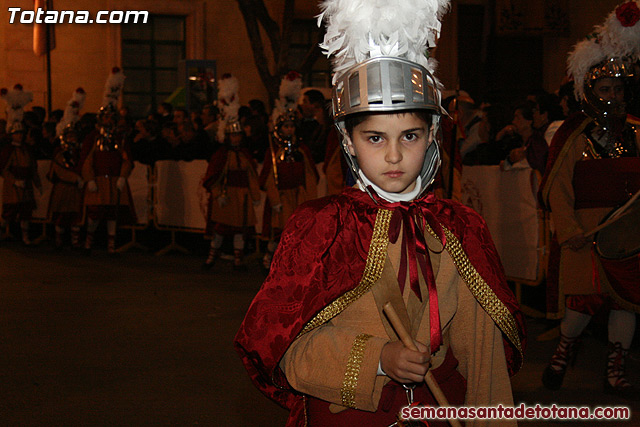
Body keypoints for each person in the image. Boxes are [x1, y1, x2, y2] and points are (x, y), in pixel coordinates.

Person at [235, 1, 525, 425]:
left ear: (431, 138)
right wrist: (378, 358)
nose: (394, 154)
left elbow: (483, 360)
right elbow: (289, 350)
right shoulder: (321, 227)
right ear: (348, 142)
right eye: (374, 137)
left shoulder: (459, 228)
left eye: (410, 135)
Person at [539, 7, 640, 398]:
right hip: (584, 236)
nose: (613, 96)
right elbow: (556, 189)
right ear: (589, 92)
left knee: (627, 304)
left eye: (618, 89)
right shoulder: (574, 135)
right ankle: (563, 353)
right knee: (581, 303)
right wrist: (570, 232)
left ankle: (615, 368)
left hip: (627, 238)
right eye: (605, 90)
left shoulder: (635, 132)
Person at [259, 72, 318, 271]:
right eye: (286, 126)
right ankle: (271, 259)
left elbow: (309, 176)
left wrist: (309, 199)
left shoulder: (302, 150)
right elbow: (268, 178)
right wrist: (274, 200)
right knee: (279, 232)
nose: (290, 130)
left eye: (292, 126)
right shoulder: (274, 151)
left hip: (298, 196)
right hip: (282, 198)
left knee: (298, 233)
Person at [202, 75, 261, 270]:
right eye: (232, 136)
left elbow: (251, 175)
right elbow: (213, 176)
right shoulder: (221, 155)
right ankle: (210, 257)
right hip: (226, 196)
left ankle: (238, 259)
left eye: (238, 136)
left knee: (239, 230)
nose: (235, 139)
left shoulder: (244, 154)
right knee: (220, 229)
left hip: (242, 197)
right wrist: (218, 195)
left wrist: (254, 195)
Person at [0, 121, 41, 245]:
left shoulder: (26, 149)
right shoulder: (8, 150)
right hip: (13, 186)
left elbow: (32, 168)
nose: (20, 136)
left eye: (21, 134)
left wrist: (37, 183)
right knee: (9, 210)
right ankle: (2, 232)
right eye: (17, 134)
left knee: (25, 211)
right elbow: (4, 170)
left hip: (26, 184)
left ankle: (25, 237)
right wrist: (14, 181)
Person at [46, 125, 84, 249]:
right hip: (63, 188)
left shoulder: (80, 153)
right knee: (61, 215)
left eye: (74, 136)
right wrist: (74, 178)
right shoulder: (60, 153)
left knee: (75, 216)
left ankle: (75, 241)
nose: (72, 139)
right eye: (69, 136)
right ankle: (58, 240)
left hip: (76, 190)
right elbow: (58, 170)